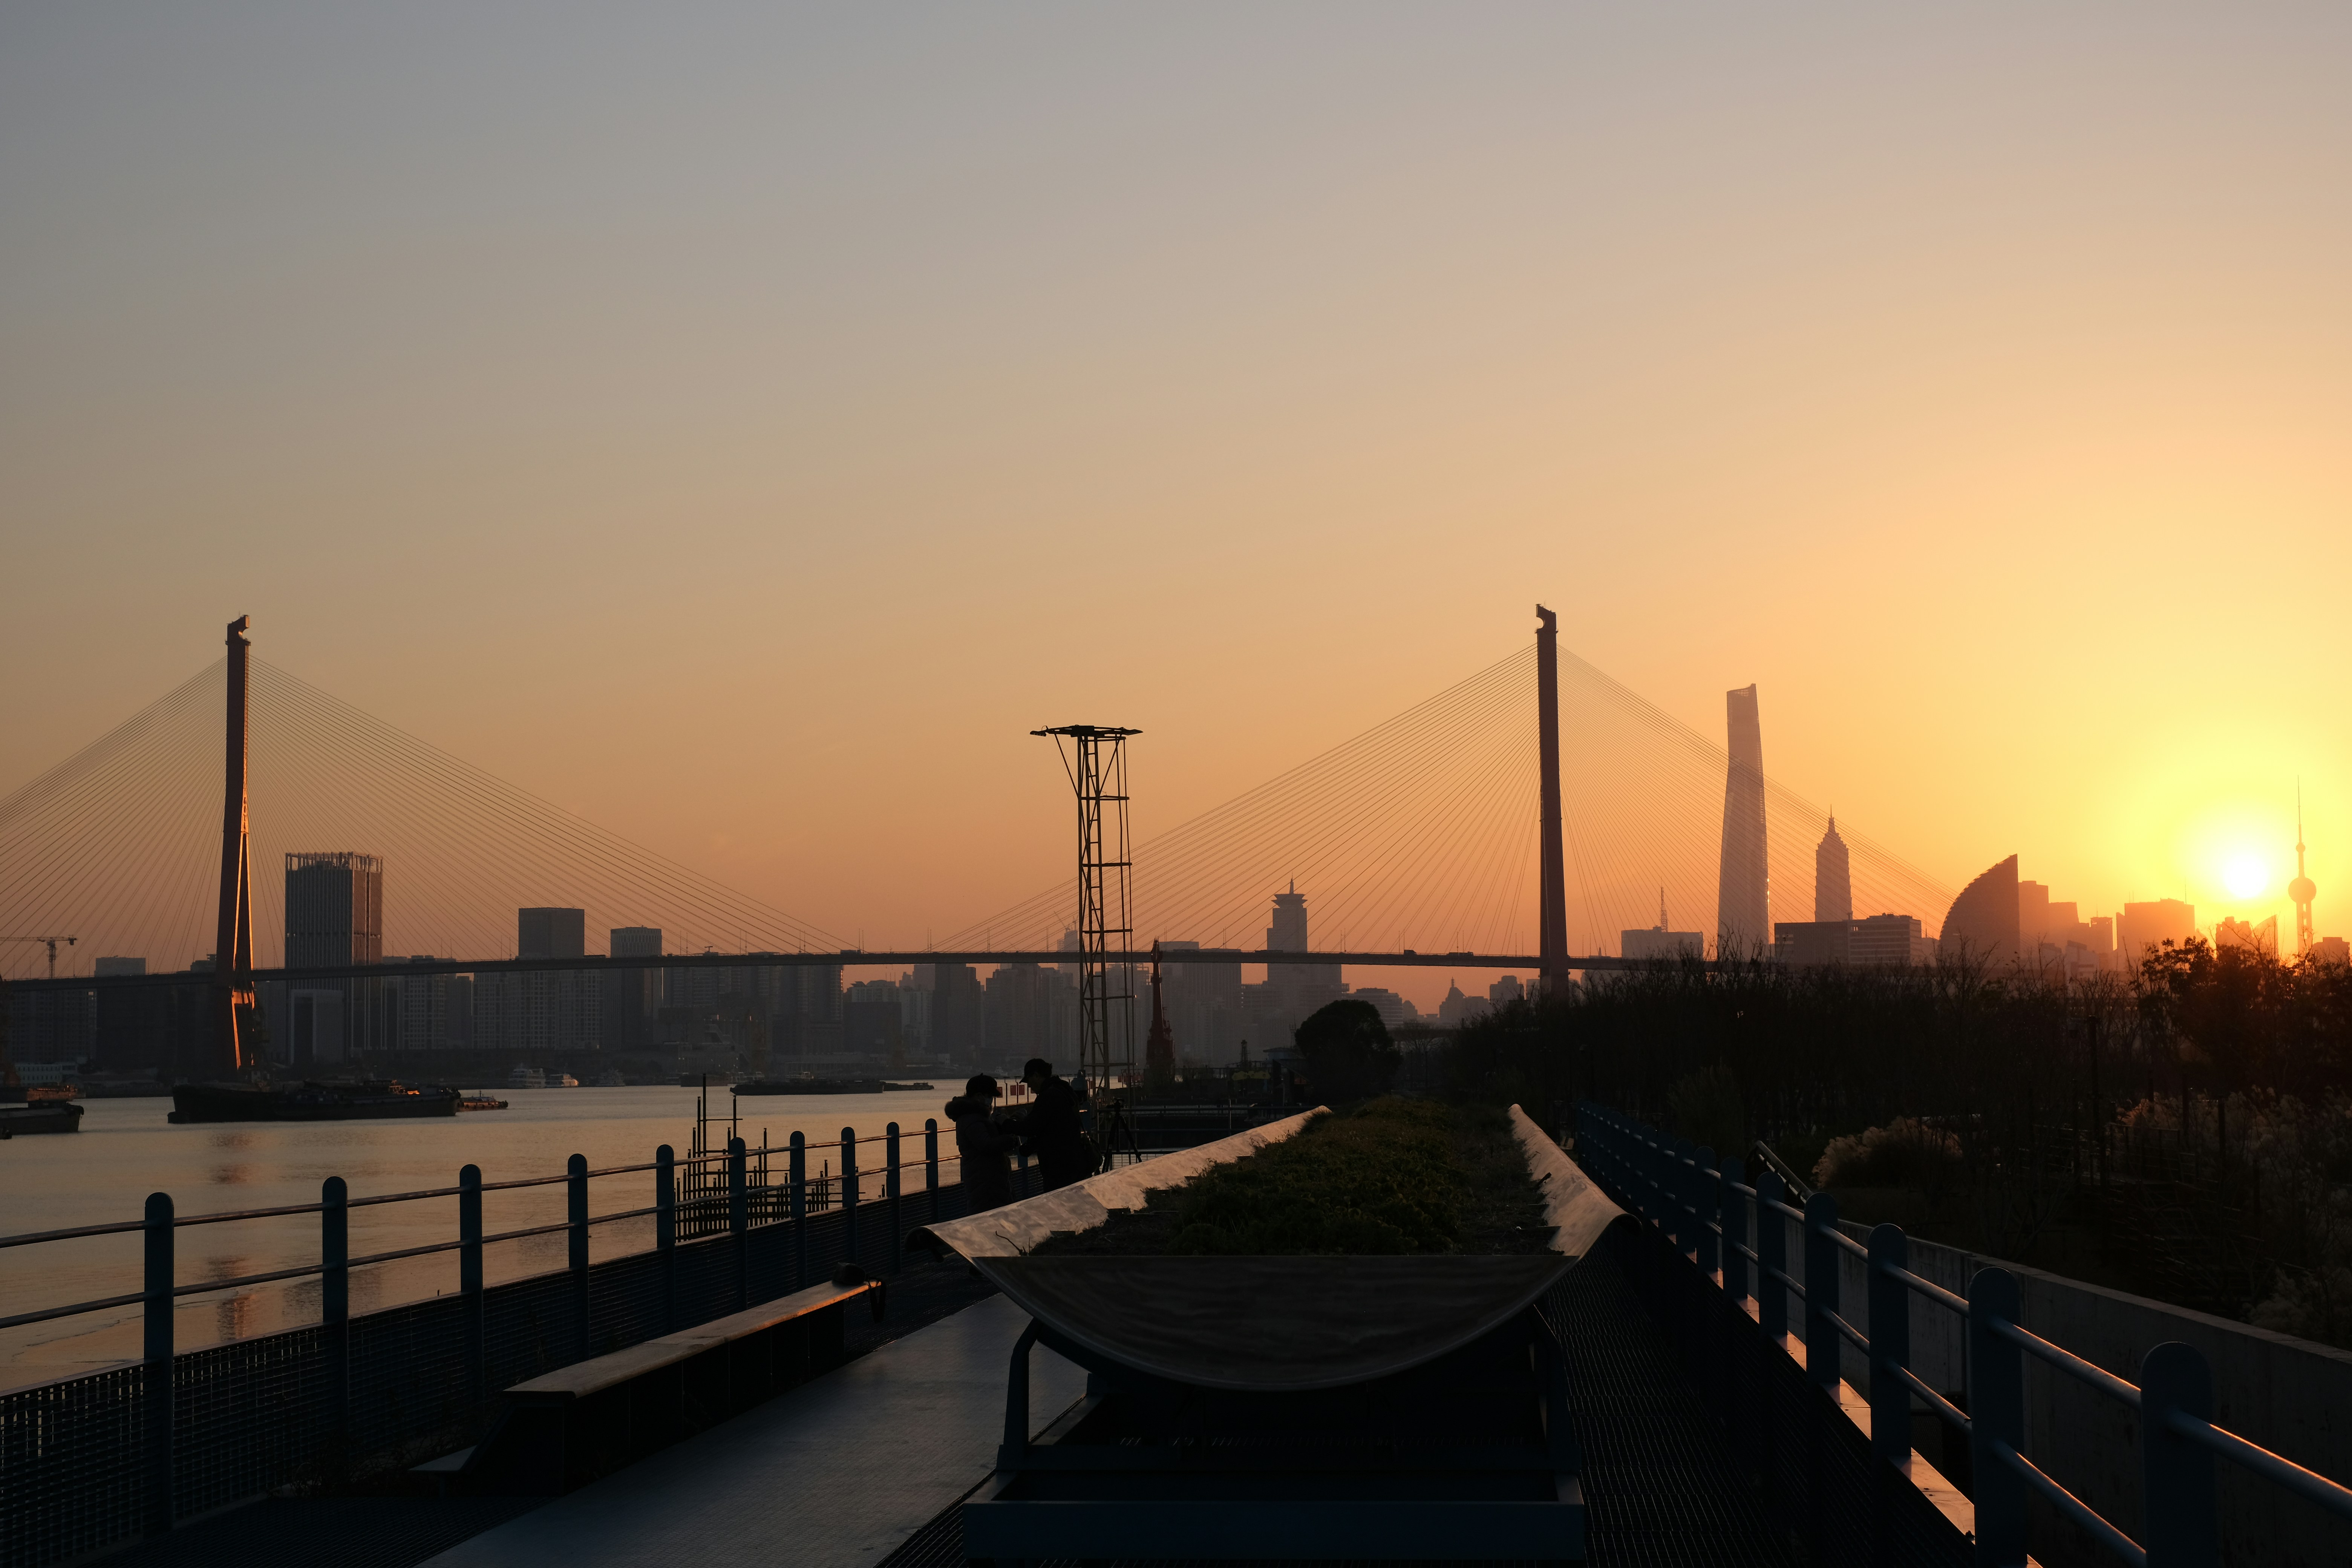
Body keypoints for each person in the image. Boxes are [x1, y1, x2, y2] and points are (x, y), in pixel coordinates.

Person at [945, 1074, 1018, 1212]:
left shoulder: (977, 1116)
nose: (991, 1101)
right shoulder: (972, 1118)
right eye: (990, 1096)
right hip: (985, 1181)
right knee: (988, 1216)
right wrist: (1009, 1140)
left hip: (989, 1179)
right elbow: (985, 1145)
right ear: (979, 1096)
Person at [1020, 1057, 1093, 1191]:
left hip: (1057, 1166)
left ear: (1036, 1076)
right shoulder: (1064, 1090)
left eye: (1029, 1081)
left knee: (1056, 1198)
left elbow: (1031, 1127)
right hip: (1073, 1160)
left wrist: (1008, 1124)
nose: (1029, 1086)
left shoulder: (1047, 1097)